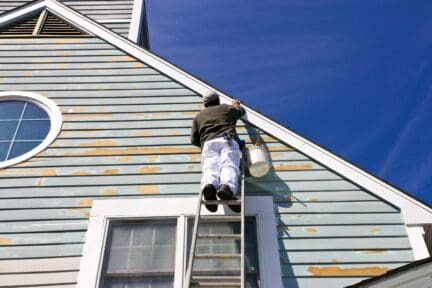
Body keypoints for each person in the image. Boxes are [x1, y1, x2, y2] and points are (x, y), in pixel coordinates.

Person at [191, 92, 245, 213]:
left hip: (208, 144)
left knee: (210, 167)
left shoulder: (198, 116)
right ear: (217, 100)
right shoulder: (226, 108)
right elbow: (240, 111)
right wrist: (236, 105)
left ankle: (209, 186)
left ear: (205, 104)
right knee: (228, 164)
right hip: (227, 140)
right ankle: (227, 188)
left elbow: (194, 140)